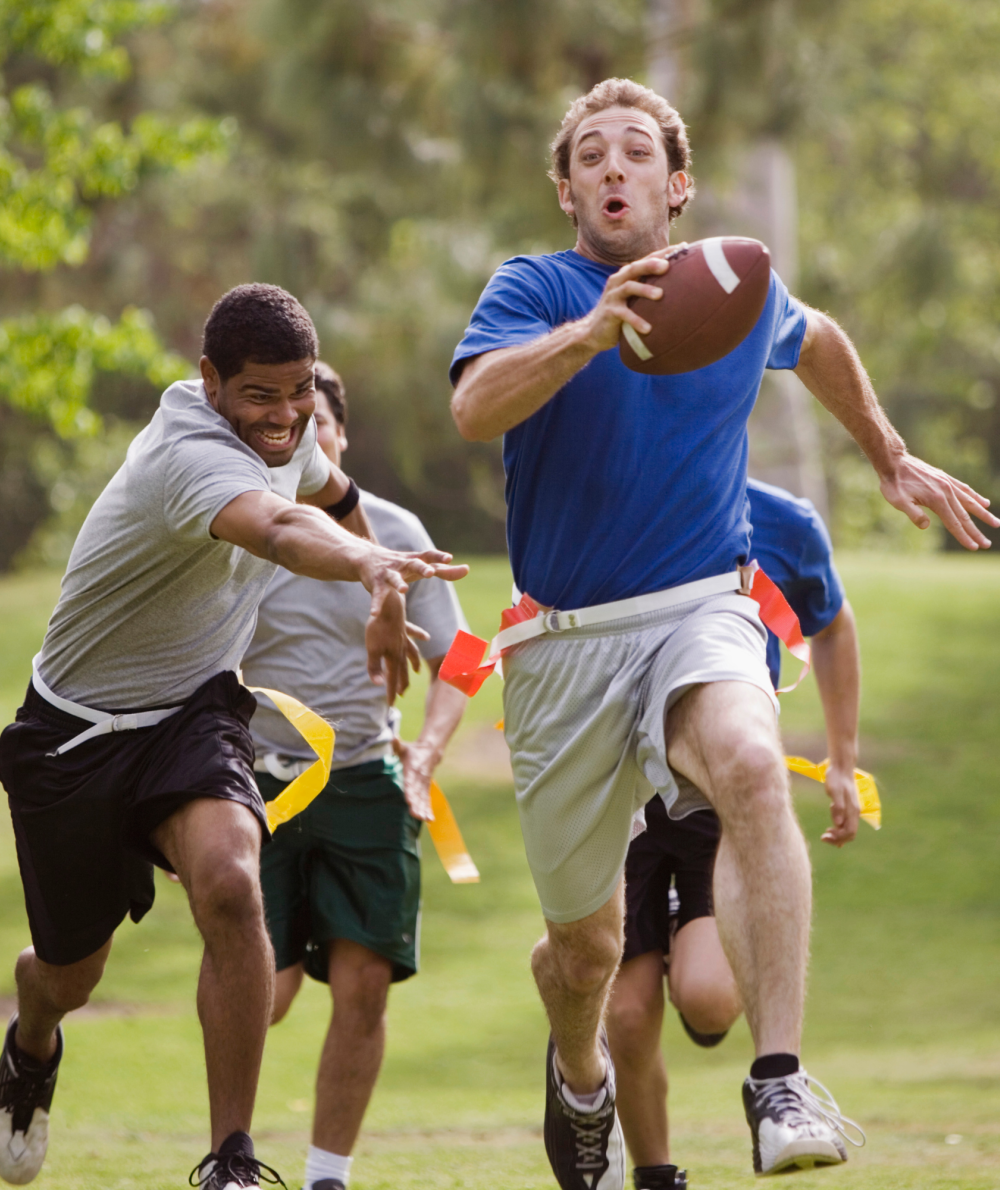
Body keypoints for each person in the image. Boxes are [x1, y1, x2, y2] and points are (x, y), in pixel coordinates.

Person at [448, 77, 996, 1187]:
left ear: (676, 183)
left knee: (750, 764)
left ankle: (780, 1076)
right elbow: (473, 407)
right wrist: (587, 335)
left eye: (635, 152)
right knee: (586, 947)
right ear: (565, 191)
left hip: (699, 604)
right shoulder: (534, 288)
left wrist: (885, 450)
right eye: (590, 155)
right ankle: (578, 1072)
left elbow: (820, 336)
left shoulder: (736, 285)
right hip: (561, 646)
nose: (613, 168)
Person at [0, 285, 466, 1190]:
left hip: (193, 711)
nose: (287, 417)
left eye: (301, 393)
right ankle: (31, 1041)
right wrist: (371, 563)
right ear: (210, 381)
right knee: (70, 972)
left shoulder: (287, 437)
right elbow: (281, 528)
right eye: (261, 395)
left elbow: (331, 494)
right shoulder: (188, 457)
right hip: (76, 735)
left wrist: (381, 594)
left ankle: (232, 1158)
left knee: (229, 882)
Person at [242, 363, 469, 1190]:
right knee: (264, 993)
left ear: (339, 438)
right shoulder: (245, 528)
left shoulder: (395, 530)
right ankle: (231, 1154)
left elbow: (466, 656)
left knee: (364, 983)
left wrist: (431, 751)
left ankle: (326, 1175)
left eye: (319, 426)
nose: (305, 439)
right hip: (259, 785)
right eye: (288, 428)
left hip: (371, 779)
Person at [606, 478, 863, 1190]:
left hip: (717, 791)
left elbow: (832, 623)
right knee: (627, 1015)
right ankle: (655, 1174)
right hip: (623, 787)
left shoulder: (788, 522)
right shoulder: (617, 497)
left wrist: (842, 762)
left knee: (711, 1000)